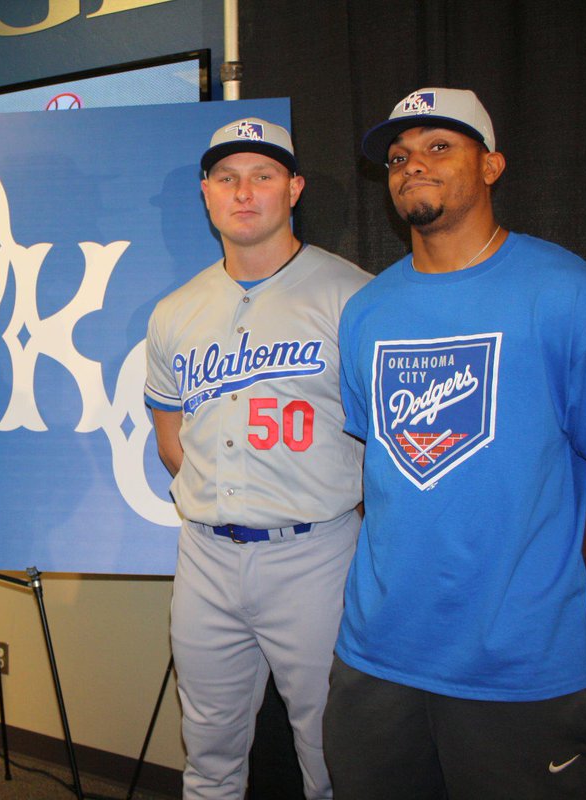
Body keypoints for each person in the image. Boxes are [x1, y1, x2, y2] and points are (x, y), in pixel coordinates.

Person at [324, 87, 586, 799]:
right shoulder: (368, 312)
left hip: (521, 665)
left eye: (438, 147)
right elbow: (382, 465)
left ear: (491, 166)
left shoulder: (573, 297)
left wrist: (543, 577)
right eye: (399, 156)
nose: (412, 166)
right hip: (376, 657)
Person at [144, 118, 370, 799]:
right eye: (226, 177)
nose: (244, 192)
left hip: (316, 554)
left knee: (333, 753)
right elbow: (170, 439)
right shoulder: (175, 311)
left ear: (294, 188)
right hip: (207, 558)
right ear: (206, 194)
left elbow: (385, 439)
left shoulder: (354, 297)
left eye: (263, 175)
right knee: (208, 754)